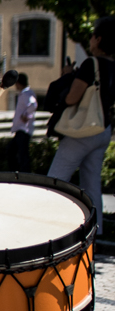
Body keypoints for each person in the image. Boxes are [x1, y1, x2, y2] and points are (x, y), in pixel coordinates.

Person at [47, 16, 115, 235]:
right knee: (92, 182)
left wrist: (67, 78)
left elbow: (72, 98)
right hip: (103, 128)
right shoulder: (114, 66)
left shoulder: (91, 64)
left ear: (99, 39)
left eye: (93, 36)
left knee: (55, 180)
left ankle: (47, 228)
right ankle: (96, 231)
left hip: (82, 130)